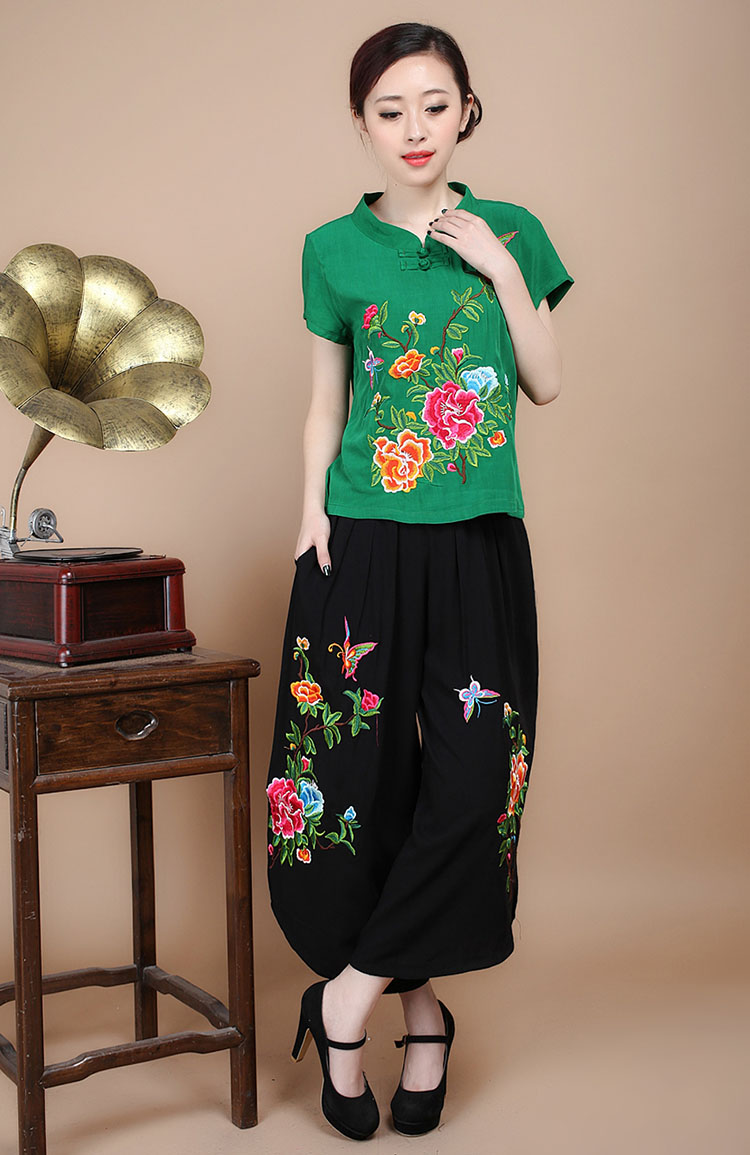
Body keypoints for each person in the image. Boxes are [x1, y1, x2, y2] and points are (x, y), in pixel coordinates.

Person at [265, 21, 574, 1140]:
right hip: (360, 540)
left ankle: (348, 999)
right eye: (390, 110)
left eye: (434, 106)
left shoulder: (514, 230)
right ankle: (425, 1014)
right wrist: (311, 510)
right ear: (361, 122)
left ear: (467, 112)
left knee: (476, 779)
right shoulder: (330, 249)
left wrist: (498, 265)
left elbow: (545, 382)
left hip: (478, 539)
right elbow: (327, 400)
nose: (414, 129)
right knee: (352, 783)